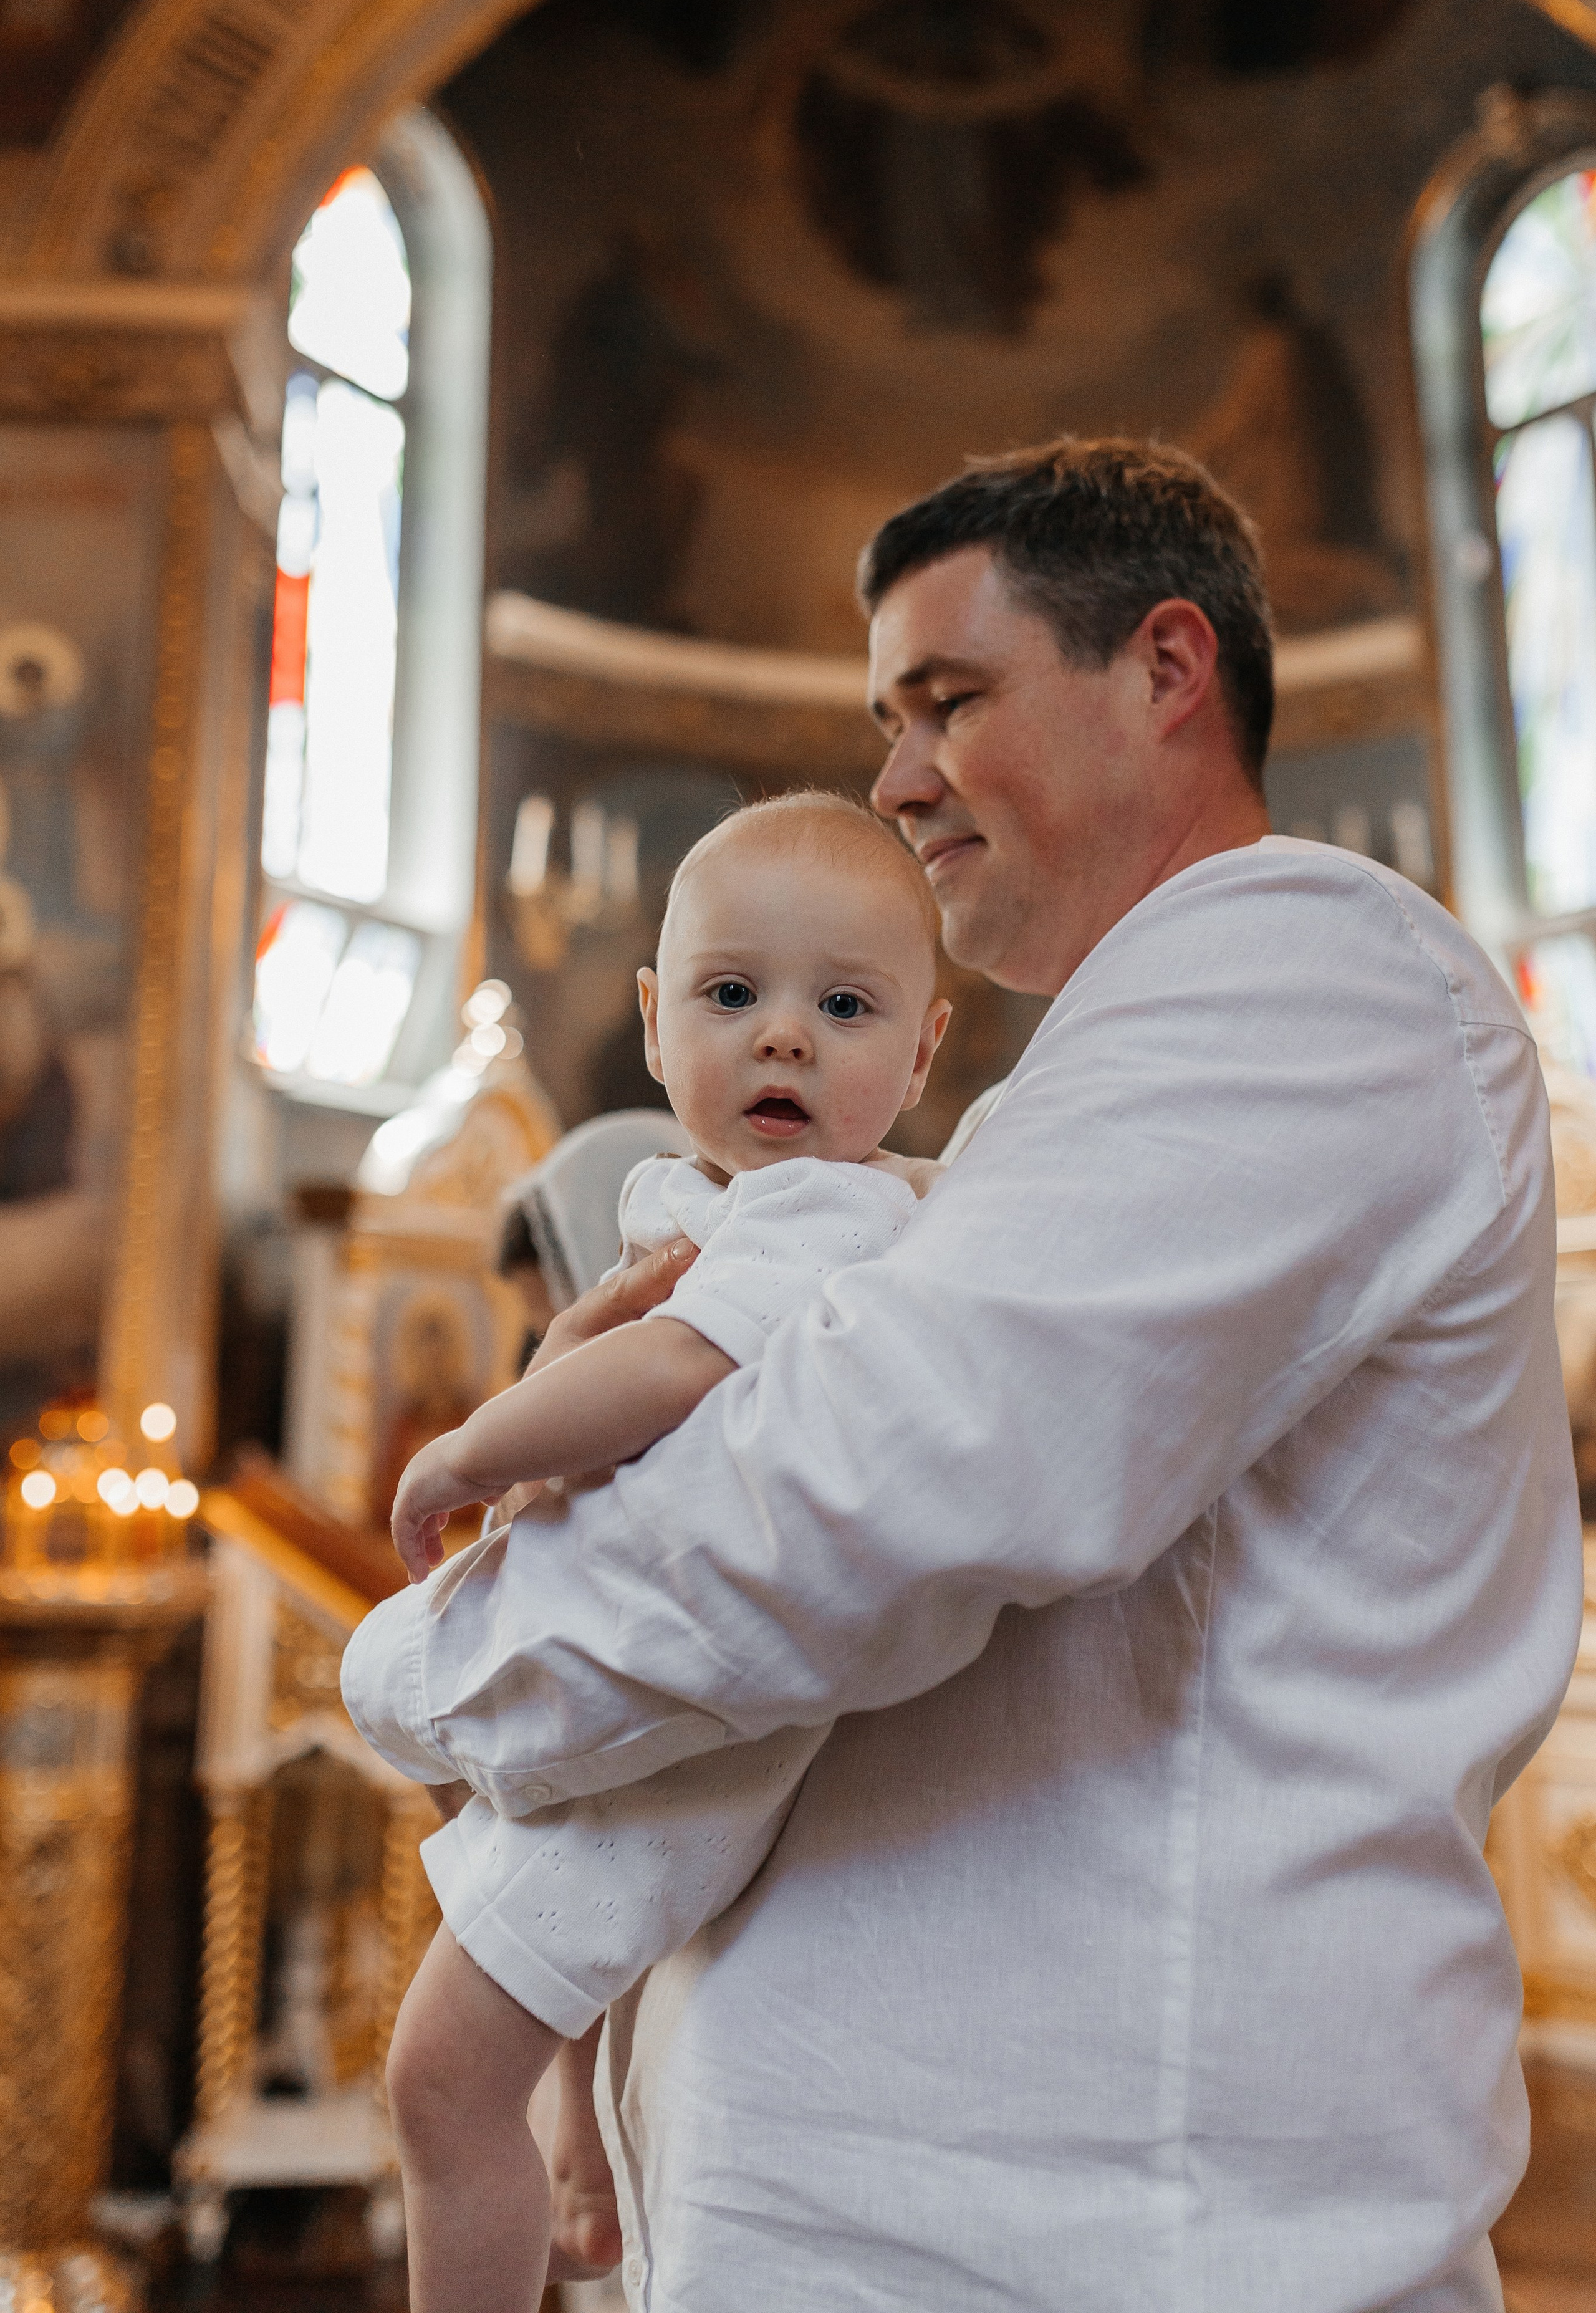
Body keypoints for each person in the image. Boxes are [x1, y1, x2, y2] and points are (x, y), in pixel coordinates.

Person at [373, 435, 1580, 2313]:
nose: (891, 777)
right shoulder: (1037, 1127)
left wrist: (421, 1669)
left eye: (949, 701)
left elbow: (864, 1487)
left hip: (1115, 2247)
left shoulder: (1301, 978)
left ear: (1166, 668)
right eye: (884, 716)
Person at [343, 792, 950, 2309]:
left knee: (433, 2085)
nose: (784, 1038)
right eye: (732, 994)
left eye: (846, 1005)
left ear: (926, 1051)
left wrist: (483, 1438)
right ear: (652, 1010)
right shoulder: (725, 1201)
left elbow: (678, 1366)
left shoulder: (824, 1212)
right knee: (514, 2040)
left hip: (669, 1754)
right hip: (642, 1718)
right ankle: (586, 2153)